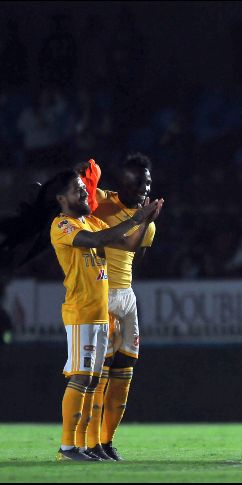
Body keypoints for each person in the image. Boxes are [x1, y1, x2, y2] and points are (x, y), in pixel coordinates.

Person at [48, 170, 161, 461]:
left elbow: (126, 245)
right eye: (76, 190)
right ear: (62, 199)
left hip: (99, 313)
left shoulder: (92, 221)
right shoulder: (63, 225)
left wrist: (146, 220)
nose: (84, 193)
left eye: (83, 189)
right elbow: (103, 237)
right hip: (81, 310)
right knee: (81, 378)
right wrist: (136, 219)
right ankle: (68, 447)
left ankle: (86, 446)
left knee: (92, 381)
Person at [79, 154, 158, 461]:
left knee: (125, 370)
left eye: (148, 180)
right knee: (100, 372)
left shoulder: (147, 221)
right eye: (137, 180)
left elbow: (135, 260)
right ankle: (89, 443)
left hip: (127, 296)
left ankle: (107, 441)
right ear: (121, 182)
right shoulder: (100, 201)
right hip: (102, 293)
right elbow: (77, 191)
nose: (144, 186)